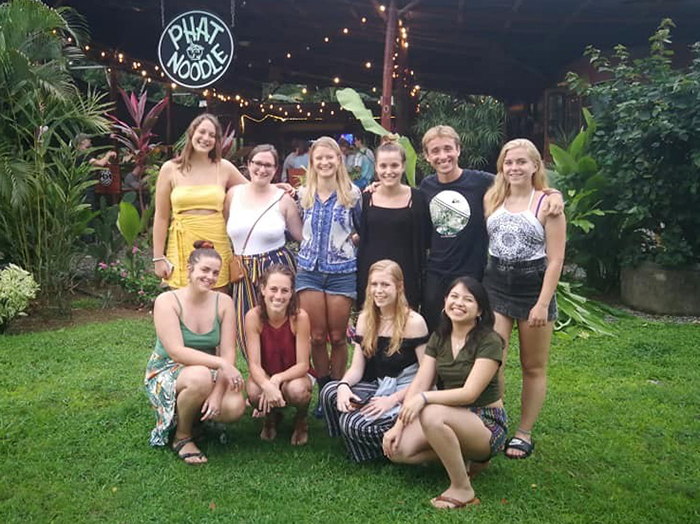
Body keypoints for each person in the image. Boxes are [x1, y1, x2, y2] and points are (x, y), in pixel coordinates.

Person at [418, 125, 564, 332]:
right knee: (434, 332)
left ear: (458, 150)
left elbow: (520, 183)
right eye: (435, 151)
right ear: (426, 156)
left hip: (473, 271)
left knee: (472, 335)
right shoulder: (426, 186)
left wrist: (553, 194)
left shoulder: (481, 182)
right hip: (436, 272)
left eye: (448, 148)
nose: (443, 156)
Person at [382, 277, 507, 509]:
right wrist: (398, 426)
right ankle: (467, 459)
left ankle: (463, 490)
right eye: (454, 297)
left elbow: (469, 394)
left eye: (468, 299)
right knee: (398, 450)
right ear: (445, 301)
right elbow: (420, 383)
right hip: (452, 414)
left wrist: (424, 399)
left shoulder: (489, 341)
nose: (459, 303)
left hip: (485, 422)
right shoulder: (439, 337)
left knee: (431, 414)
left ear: (479, 310)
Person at [482, 139, 566, 459]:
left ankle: (524, 432)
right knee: (492, 359)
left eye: (521, 162)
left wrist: (543, 303)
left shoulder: (548, 204)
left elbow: (556, 260)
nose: (514, 168)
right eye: (508, 162)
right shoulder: (493, 197)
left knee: (532, 365)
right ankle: (496, 419)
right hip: (496, 285)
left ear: (535, 166)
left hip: (533, 288)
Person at [144, 241, 246, 464]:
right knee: (199, 376)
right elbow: (177, 352)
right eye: (205, 270)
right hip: (167, 369)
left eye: (216, 273)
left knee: (235, 406)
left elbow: (228, 354)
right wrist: (221, 364)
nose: (210, 277)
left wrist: (219, 393)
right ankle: (182, 436)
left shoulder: (224, 303)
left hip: (209, 370)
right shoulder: (167, 301)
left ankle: (196, 418)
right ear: (190, 270)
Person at [320, 260, 428, 462]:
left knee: (353, 424)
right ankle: (352, 436)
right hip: (379, 385)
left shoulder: (414, 323)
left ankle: (389, 445)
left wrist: (392, 400)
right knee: (329, 392)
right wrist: (343, 385)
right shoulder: (365, 319)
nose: (378, 290)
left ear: (399, 286)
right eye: (374, 285)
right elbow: (357, 369)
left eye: (385, 285)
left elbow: (427, 377)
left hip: (408, 391)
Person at [296, 136, 362, 416]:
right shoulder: (303, 194)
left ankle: (338, 390)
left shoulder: (353, 194)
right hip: (309, 271)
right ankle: (324, 394)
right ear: (312, 162)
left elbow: (363, 229)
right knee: (316, 336)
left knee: (337, 337)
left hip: (341, 272)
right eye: (318, 158)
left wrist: (349, 243)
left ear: (339, 160)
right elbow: (296, 226)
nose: (324, 162)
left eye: (329, 157)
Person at [152, 113, 248, 290]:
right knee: (182, 306)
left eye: (212, 135)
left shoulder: (224, 167)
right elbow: (161, 216)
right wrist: (158, 258)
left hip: (216, 243)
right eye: (202, 132)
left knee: (217, 305)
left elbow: (253, 190)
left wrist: (278, 187)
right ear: (191, 133)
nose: (206, 138)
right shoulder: (170, 169)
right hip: (181, 244)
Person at [225, 145, 302, 356]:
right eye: (257, 163)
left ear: (276, 169)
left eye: (268, 165)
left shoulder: (284, 199)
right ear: (249, 165)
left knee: (282, 322)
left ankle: (289, 374)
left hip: (276, 267)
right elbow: (225, 227)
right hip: (243, 269)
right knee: (246, 322)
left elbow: (301, 235)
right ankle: (258, 374)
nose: (262, 169)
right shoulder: (233, 195)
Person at [356, 139, 430, 310]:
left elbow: (425, 240)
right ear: (376, 167)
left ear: (403, 166)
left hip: (406, 277)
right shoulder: (365, 199)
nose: (389, 171)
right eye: (383, 166)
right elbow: (359, 234)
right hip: (372, 278)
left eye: (394, 165)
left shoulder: (418, 198)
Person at [245, 265, 313, 445]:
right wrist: (266, 383)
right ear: (263, 289)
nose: (278, 296)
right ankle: (270, 417)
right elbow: (254, 364)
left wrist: (277, 379)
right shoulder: (253, 316)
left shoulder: (300, 317)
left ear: (292, 293)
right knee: (253, 392)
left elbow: (303, 365)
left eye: (285, 290)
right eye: (273, 289)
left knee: (298, 391)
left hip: (293, 376)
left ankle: (301, 420)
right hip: (266, 373)